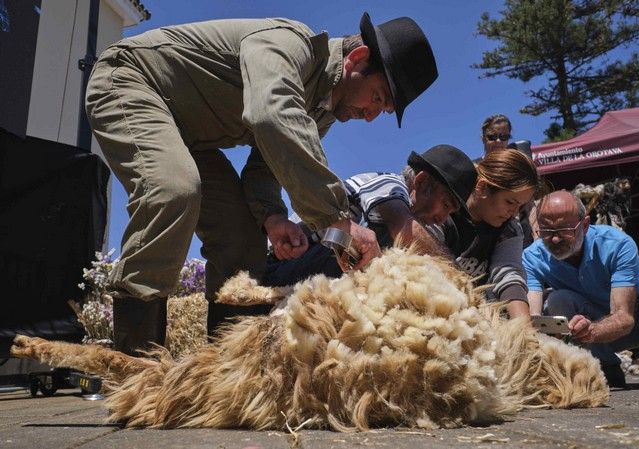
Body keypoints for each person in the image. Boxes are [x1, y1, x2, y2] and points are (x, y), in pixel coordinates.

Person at [85, 12, 439, 354]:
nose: (371, 114)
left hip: (189, 136)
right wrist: (337, 219)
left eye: (384, 110)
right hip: (130, 81)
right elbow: (271, 114)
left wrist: (272, 216)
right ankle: (134, 365)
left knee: (240, 234)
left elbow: (267, 164)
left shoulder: (321, 112)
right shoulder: (288, 44)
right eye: (377, 97)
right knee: (174, 190)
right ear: (357, 59)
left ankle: (226, 368)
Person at [262, 144, 477, 286]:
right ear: (420, 182)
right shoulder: (388, 185)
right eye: (446, 204)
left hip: (318, 278)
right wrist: (459, 279)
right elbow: (403, 226)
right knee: (353, 242)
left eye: (451, 211)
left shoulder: (424, 224)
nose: (444, 217)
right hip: (284, 264)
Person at [523, 190, 639, 388]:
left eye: (564, 230)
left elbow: (624, 318)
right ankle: (606, 367)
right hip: (590, 330)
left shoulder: (617, 245)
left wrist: (592, 331)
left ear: (585, 225)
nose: (555, 240)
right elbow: (532, 318)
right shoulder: (533, 257)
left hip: (633, 324)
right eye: (547, 231)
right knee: (558, 300)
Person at [428, 149, 542, 319]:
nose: (513, 213)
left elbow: (508, 273)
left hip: (476, 312)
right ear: (482, 187)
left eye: (520, 206)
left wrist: (524, 329)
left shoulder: (509, 229)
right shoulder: (445, 212)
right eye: (510, 202)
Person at [479, 113, 535, 247]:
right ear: (483, 139)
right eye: (492, 137)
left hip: (521, 237)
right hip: (485, 238)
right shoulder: (476, 168)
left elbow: (529, 205)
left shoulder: (519, 167)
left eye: (503, 137)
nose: (498, 141)